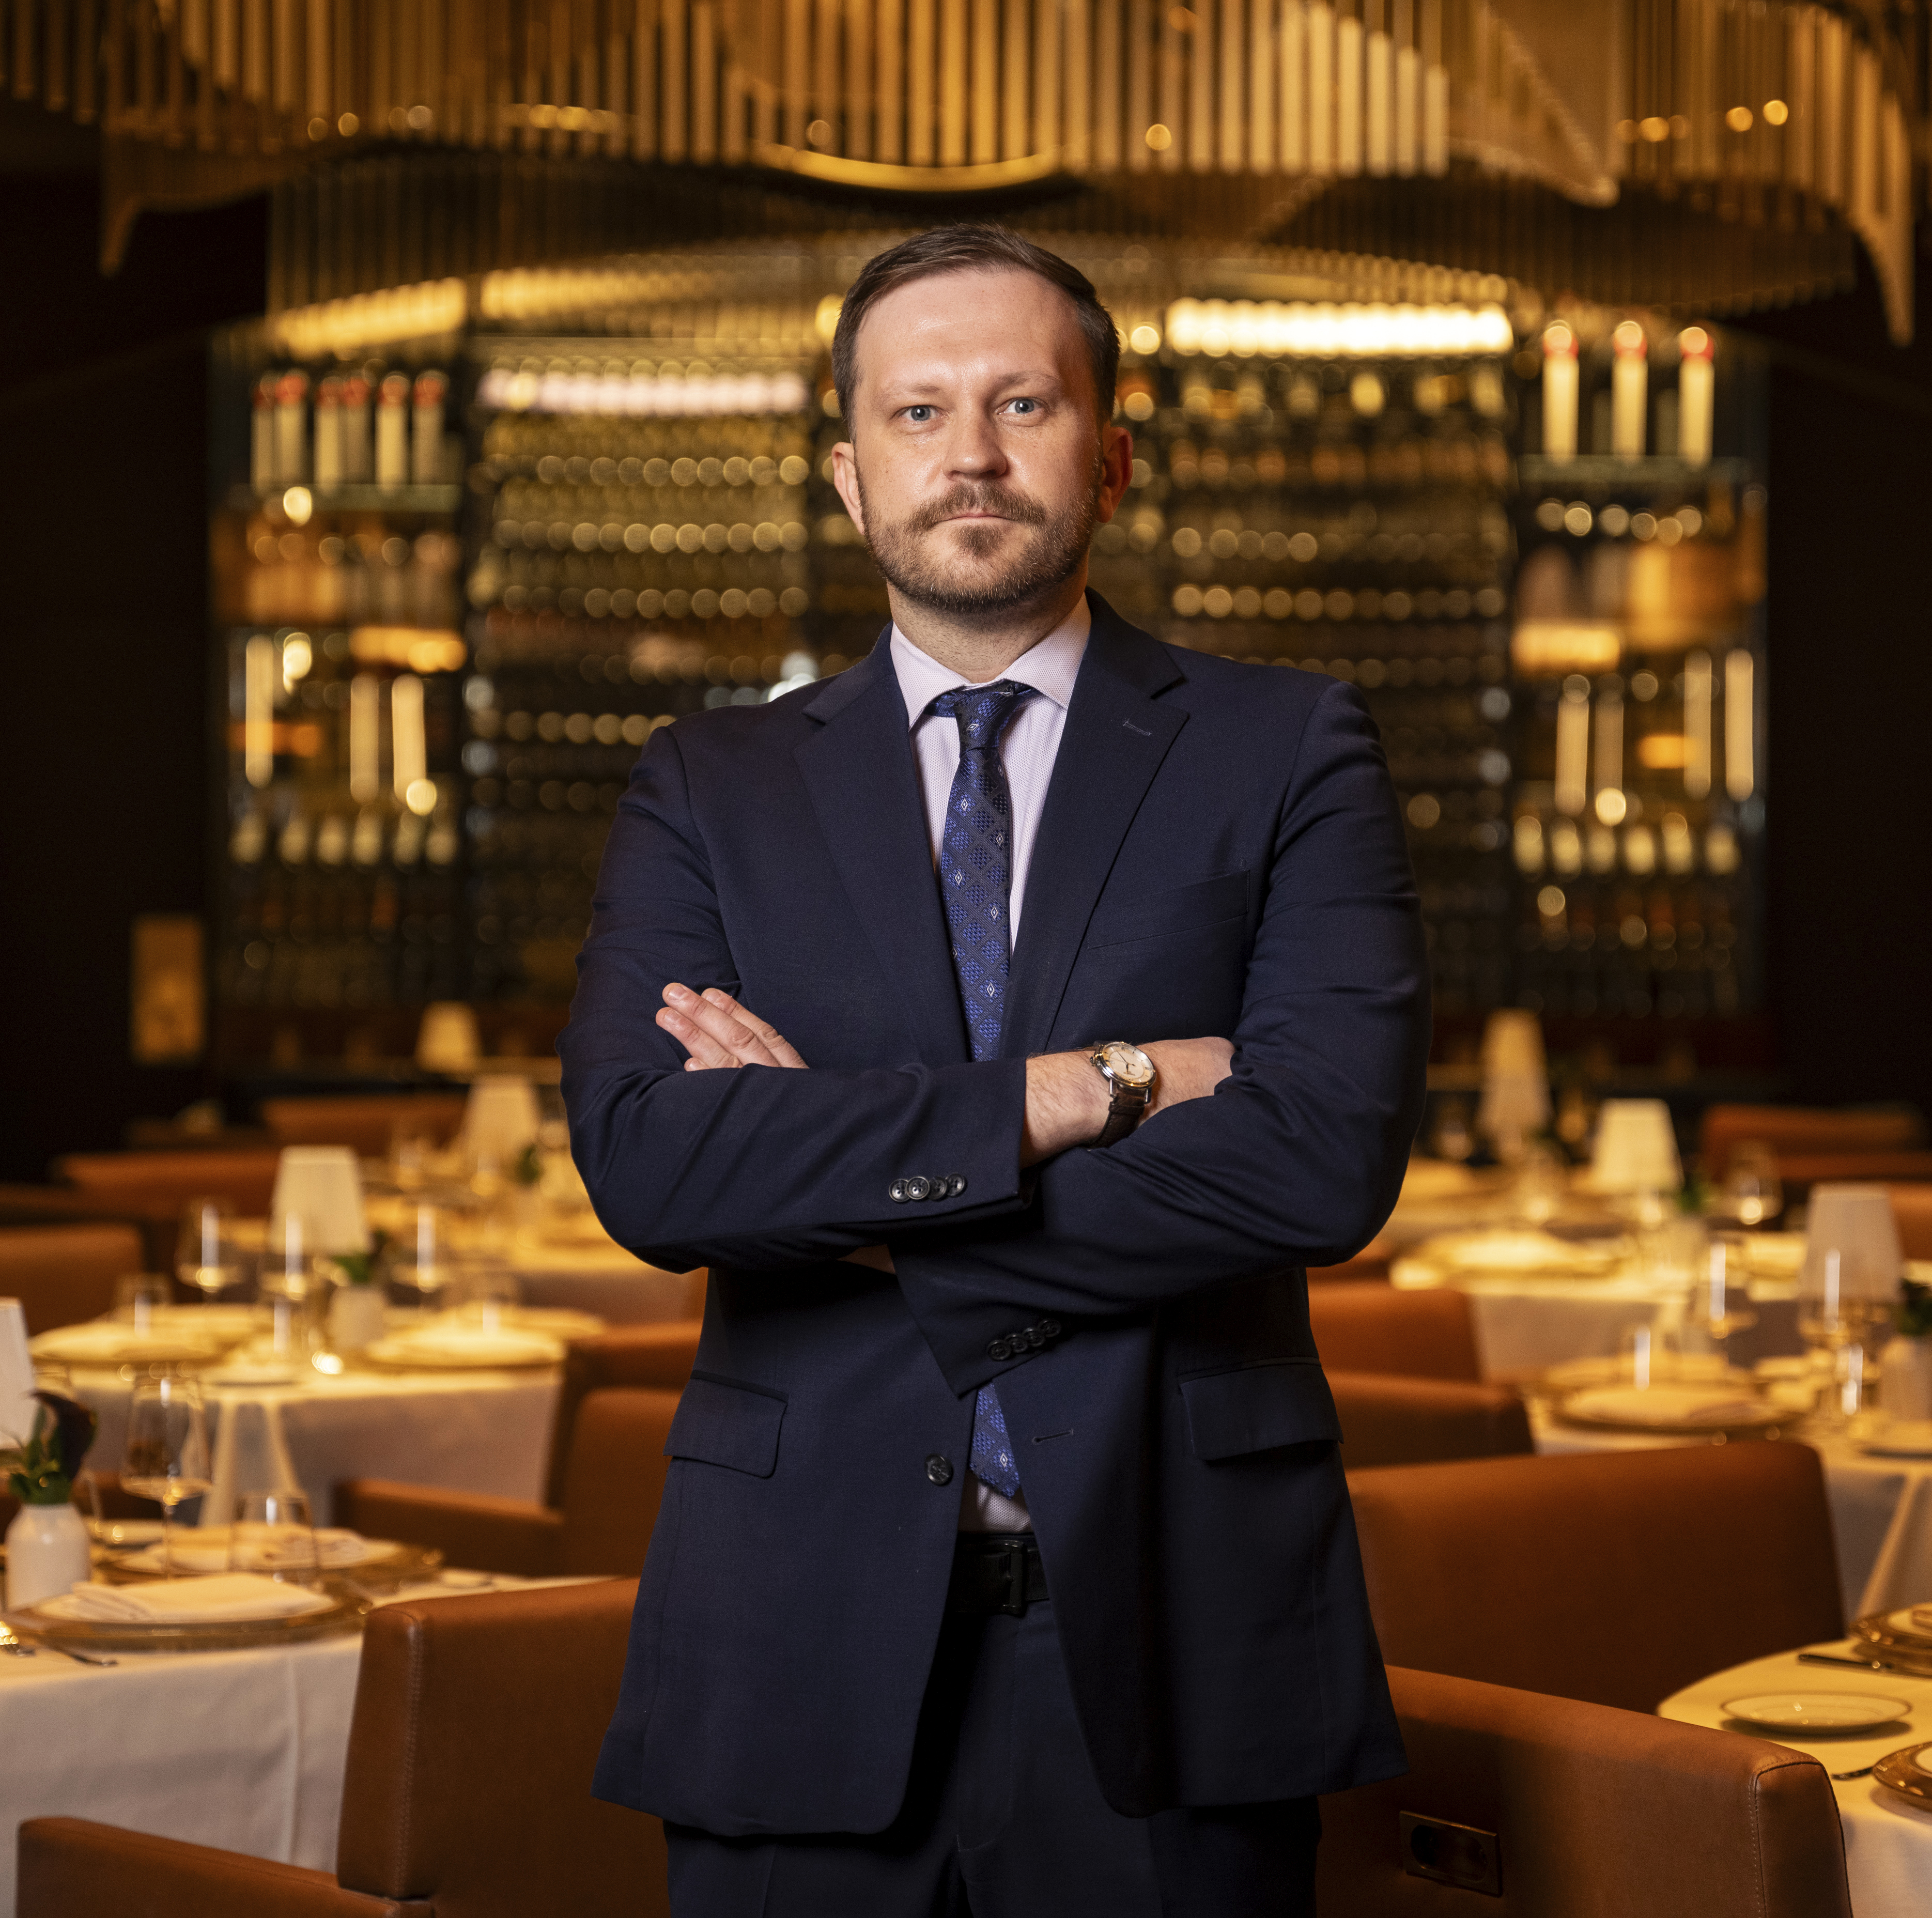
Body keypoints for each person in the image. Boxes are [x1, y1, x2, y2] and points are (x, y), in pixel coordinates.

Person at [564, 223, 1429, 1916]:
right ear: (846, 471)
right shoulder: (706, 784)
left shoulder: (1289, 744)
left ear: (1112, 453)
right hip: (791, 1639)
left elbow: (1321, 1160)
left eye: (1023, 402)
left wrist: (849, 1179)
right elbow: (654, 1168)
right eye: (917, 412)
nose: (969, 453)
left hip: (1181, 1635)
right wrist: (1084, 1090)